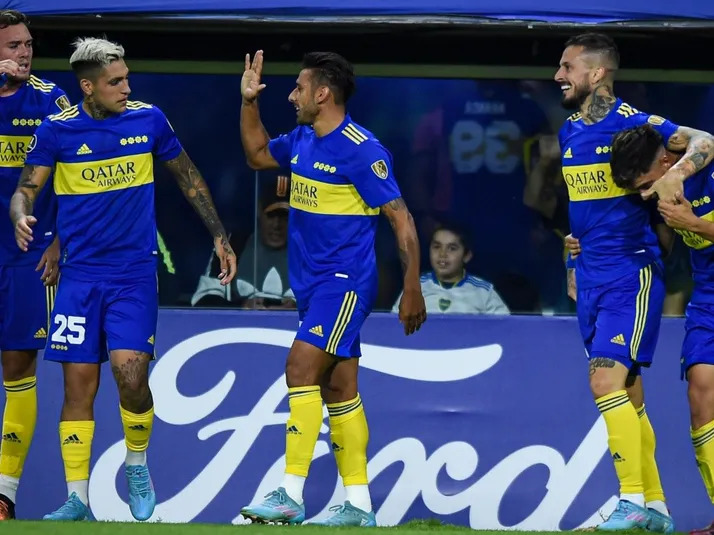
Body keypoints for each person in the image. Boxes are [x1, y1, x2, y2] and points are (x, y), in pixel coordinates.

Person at [9, 37, 237, 522]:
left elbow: (188, 176)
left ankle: (136, 462)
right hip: (78, 278)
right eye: (116, 82)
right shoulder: (57, 131)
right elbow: (26, 188)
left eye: (127, 78)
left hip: (133, 275)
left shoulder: (148, 120)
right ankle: (77, 498)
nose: (126, 88)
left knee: (131, 376)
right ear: (87, 87)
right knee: (78, 387)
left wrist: (219, 235)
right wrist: (20, 214)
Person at [238, 50, 426, 526]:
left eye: (298, 88)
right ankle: (359, 505)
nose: (291, 95)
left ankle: (289, 492)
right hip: (310, 284)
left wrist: (411, 286)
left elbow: (401, 219)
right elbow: (257, 155)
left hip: (344, 283)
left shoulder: (362, 149)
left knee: (299, 367)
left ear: (322, 94)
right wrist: (248, 102)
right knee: (340, 388)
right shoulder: (302, 139)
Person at [555, 32, 714, 532]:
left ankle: (630, 501)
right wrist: (572, 262)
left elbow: (705, 142)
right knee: (628, 395)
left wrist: (675, 175)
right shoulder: (567, 132)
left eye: (567, 67)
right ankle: (655, 508)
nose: (558, 76)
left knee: (604, 380)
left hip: (631, 273)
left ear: (597, 73)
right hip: (591, 278)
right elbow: (580, 208)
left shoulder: (637, 124)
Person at [586, 123, 714, 535]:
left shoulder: (706, 171)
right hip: (708, 297)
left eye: (646, 184)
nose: (644, 194)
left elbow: (702, 139)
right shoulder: (656, 194)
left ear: (666, 162)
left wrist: (694, 224)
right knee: (700, 392)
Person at [0, 9, 71, 521]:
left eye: (28, 44)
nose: (24, 53)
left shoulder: (51, 101)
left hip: (28, 254)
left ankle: (3, 495)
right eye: (14, 45)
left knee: (18, 366)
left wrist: (61, 241)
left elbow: (79, 173)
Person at [391, 223, 509, 315]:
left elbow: (505, 328)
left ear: (467, 256)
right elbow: (393, 326)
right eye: (437, 247)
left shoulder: (484, 292)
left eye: (452, 248)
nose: (442, 254)